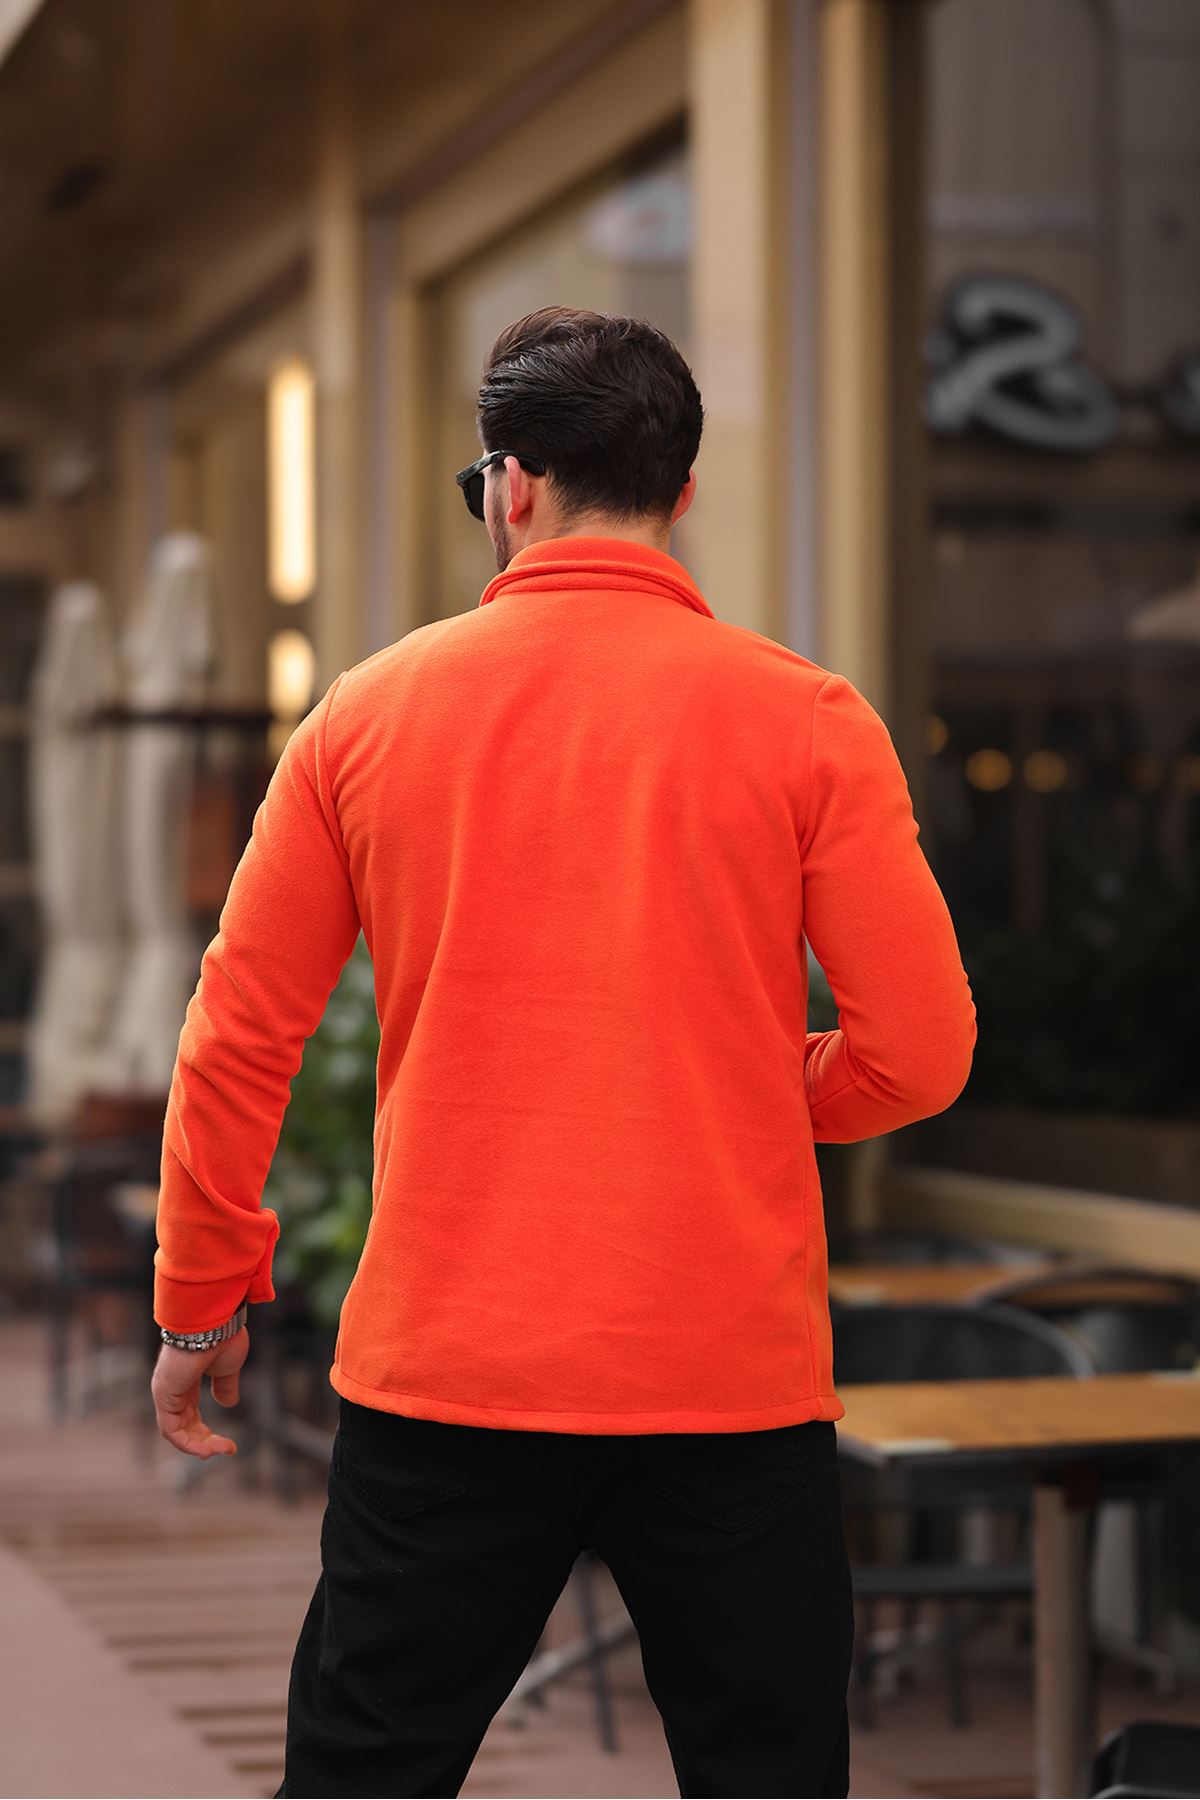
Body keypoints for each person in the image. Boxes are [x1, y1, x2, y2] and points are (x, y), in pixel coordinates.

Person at [150, 305, 978, 1799]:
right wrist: (745, 1090)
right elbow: (919, 1055)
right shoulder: (808, 720)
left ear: (511, 486)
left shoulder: (364, 718)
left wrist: (202, 1302)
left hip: (449, 1374)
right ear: (683, 491)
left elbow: (238, 1038)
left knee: (363, 1778)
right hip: (726, 1380)